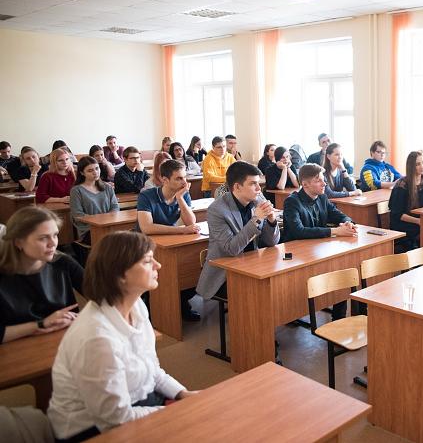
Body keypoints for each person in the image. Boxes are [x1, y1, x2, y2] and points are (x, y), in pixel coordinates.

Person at [48, 232, 196, 441]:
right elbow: (116, 420)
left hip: (138, 403)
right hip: (90, 430)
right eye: (147, 261)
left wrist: (183, 394)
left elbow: (152, 371)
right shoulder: (97, 338)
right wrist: (174, 412)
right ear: (120, 275)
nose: (158, 265)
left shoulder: (136, 305)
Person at [196, 162, 280, 301]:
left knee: (281, 282)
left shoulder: (258, 200)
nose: (259, 189)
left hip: (252, 265)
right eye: (253, 184)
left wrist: (271, 220)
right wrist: (256, 220)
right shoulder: (217, 210)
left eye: (258, 183)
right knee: (263, 291)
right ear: (237, 187)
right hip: (225, 274)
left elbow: (271, 242)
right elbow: (232, 249)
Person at [283, 164, 357, 319]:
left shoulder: (322, 197)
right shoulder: (292, 202)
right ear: (305, 184)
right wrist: (334, 231)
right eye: (319, 181)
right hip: (298, 256)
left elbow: (338, 214)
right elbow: (298, 231)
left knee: (341, 272)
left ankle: (339, 318)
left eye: (324, 180)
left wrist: (347, 222)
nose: (324, 184)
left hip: (318, 250)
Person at [0, 206, 83, 344]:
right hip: (17, 348)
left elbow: (100, 295)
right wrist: (40, 324)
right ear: (18, 242)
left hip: (65, 341)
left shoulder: (63, 262)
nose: (53, 243)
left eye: (55, 235)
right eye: (43, 238)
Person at [136, 159, 200, 321]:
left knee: (190, 268)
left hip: (167, 241)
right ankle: (154, 307)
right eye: (178, 178)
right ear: (164, 180)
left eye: (184, 177)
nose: (184, 182)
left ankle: (181, 303)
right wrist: (181, 230)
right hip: (144, 246)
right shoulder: (147, 195)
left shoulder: (183, 194)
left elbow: (191, 222)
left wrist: (180, 198)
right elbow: (147, 228)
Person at [70, 157, 119, 248]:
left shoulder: (107, 187)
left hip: (109, 225)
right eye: (90, 170)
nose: (95, 172)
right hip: (89, 230)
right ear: (82, 173)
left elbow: (115, 207)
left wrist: (107, 222)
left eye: (97, 168)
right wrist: (100, 222)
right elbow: (78, 215)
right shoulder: (76, 190)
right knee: (112, 241)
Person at [388, 151, 423, 251]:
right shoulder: (402, 184)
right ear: (411, 167)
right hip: (402, 223)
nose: (422, 166)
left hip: (418, 221)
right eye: (417, 164)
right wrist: (418, 221)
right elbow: (397, 214)